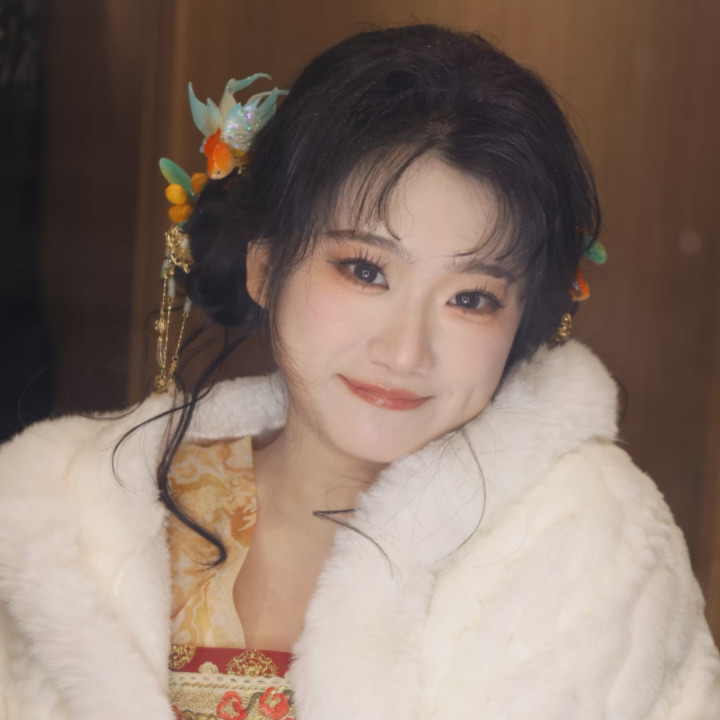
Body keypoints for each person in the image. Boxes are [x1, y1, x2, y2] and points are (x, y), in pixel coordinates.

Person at [0, 24, 718, 720]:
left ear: (523, 320)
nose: (406, 352)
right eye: (365, 270)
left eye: (471, 299)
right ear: (263, 266)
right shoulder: (71, 530)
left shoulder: (590, 549)